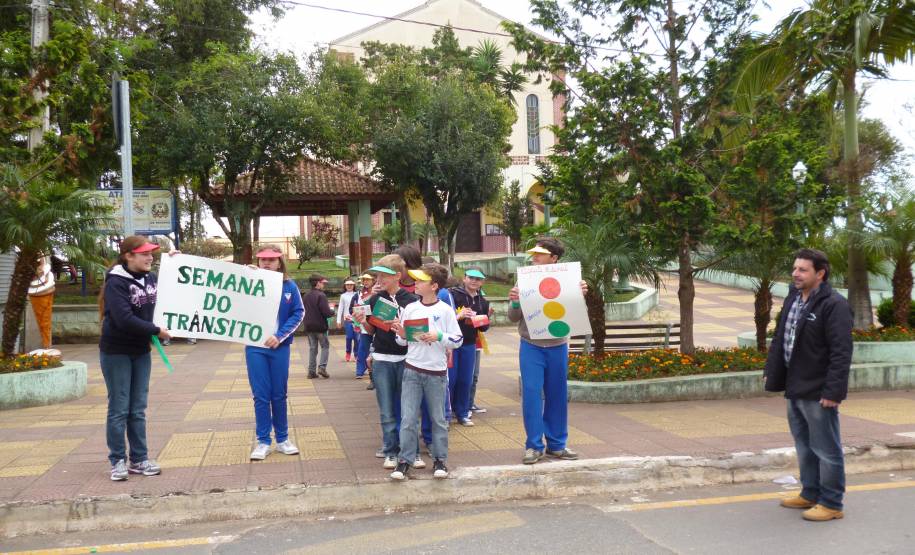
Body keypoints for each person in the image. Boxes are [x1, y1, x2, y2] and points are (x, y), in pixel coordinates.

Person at [764, 248, 853, 522]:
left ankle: (832, 503)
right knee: (804, 446)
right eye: (795, 268)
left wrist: (833, 391)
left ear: (820, 274)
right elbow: (781, 337)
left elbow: (841, 352)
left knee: (826, 449)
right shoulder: (793, 298)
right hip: (795, 385)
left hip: (818, 390)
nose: (795, 274)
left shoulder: (834, 305)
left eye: (803, 270)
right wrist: (772, 371)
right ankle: (810, 493)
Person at [97, 235, 173, 481]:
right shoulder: (116, 282)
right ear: (128, 256)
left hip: (141, 351)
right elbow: (124, 319)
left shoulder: (150, 278)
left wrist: (177, 264)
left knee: (137, 409)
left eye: (152, 253)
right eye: (144, 254)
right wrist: (156, 330)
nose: (150, 257)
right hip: (116, 351)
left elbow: (175, 293)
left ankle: (139, 459)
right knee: (119, 408)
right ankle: (117, 460)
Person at [508, 238, 588, 465]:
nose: (534, 256)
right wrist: (515, 302)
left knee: (557, 395)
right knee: (532, 394)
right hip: (531, 346)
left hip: (558, 346)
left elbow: (576, 312)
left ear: (554, 258)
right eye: (533, 253)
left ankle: (557, 445)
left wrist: (580, 294)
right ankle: (534, 446)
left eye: (540, 253)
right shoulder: (524, 280)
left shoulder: (570, 280)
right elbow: (513, 317)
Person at [389, 264, 463, 480]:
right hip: (411, 370)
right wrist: (401, 333)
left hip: (436, 373)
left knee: (438, 418)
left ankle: (440, 459)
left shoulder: (445, 310)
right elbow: (402, 341)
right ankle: (405, 460)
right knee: (408, 418)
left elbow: (457, 339)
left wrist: (439, 336)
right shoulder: (411, 308)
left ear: (434, 286)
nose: (416, 283)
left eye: (421, 281)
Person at [352, 254, 418, 470]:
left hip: (407, 359)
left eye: (384, 276)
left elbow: (417, 333)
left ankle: (412, 451)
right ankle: (390, 450)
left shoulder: (412, 301)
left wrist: (402, 327)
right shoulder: (374, 300)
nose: (379, 280)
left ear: (398, 276)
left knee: (409, 408)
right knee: (387, 409)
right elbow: (371, 330)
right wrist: (363, 322)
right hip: (381, 359)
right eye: (377, 275)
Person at [246, 245, 305, 461]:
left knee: (279, 394)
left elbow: (299, 313)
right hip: (255, 347)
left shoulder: (289, 286)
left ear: (280, 262)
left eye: (271, 260)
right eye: (263, 259)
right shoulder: (248, 282)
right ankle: (263, 441)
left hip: (279, 348)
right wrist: (244, 276)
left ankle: (282, 439)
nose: (267, 263)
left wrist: (279, 336)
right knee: (261, 395)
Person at [449, 268, 491, 426]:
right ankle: (447, 413)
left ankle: (462, 413)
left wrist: (484, 320)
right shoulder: (453, 295)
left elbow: (484, 328)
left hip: (469, 344)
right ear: (464, 278)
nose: (474, 281)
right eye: (471, 277)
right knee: (451, 379)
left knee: (466, 380)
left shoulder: (483, 301)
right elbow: (445, 318)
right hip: (452, 343)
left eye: (478, 279)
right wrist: (459, 316)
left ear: (482, 282)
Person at [302, 273, 334, 379]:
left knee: (312, 348)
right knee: (325, 346)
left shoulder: (306, 295)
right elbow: (326, 312)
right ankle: (322, 367)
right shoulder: (321, 295)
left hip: (308, 326)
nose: (323, 285)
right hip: (320, 326)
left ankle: (311, 371)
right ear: (317, 283)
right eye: (322, 283)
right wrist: (332, 311)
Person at [28, 256, 55, 349]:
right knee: (44, 322)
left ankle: (46, 345)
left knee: (45, 322)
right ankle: (46, 345)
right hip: (37, 287)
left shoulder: (45, 269)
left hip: (44, 286)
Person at [354, 274, 375, 380]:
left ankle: (373, 374)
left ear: (373, 280)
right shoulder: (359, 293)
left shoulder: (379, 291)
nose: (365, 282)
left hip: (377, 326)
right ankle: (360, 371)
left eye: (368, 280)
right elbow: (357, 307)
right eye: (364, 280)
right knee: (363, 349)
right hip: (365, 326)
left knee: (376, 351)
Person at [337, 278, 359, 362]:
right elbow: (340, 308)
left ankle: (356, 354)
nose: (349, 286)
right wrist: (338, 321)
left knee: (357, 338)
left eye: (351, 285)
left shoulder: (357, 294)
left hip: (356, 319)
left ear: (354, 285)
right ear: (345, 286)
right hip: (347, 319)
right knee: (349, 337)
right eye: (347, 285)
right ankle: (348, 352)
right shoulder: (343, 296)